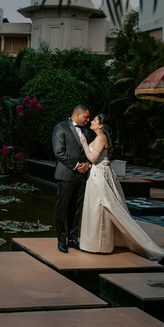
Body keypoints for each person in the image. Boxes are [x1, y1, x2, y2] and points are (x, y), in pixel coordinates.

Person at [78, 113, 164, 261]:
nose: (92, 122)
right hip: (96, 174)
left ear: (101, 125)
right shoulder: (98, 137)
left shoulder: (101, 137)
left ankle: (100, 245)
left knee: (101, 208)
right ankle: (94, 243)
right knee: (95, 208)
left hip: (99, 176)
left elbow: (93, 158)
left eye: (94, 120)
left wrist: (83, 143)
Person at [51, 104, 92, 253]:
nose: (88, 120)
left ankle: (73, 238)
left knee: (76, 210)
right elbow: (59, 152)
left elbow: (90, 151)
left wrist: (87, 164)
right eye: (86, 117)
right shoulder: (60, 128)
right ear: (77, 114)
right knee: (62, 209)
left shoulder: (87, 131)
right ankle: (61, 240)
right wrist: (76, 166)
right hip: (66, 175)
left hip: (82, 177)